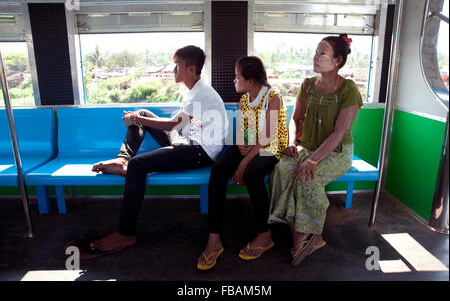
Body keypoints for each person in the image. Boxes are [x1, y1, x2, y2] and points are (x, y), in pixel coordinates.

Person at [77, 45, 227, 259]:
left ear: (192, 69)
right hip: (187, 141)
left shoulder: (202, 93)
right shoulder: (193, 91)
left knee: (138, 165)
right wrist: (140, 117)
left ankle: (125, 234)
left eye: (177, 66)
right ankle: (122, 159)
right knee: (144, 113)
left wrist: (136, 120)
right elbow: (176, 125)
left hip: (200, 151)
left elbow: (171, 124)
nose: (173, 71)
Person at [268, 34, 363, 267]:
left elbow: (339, 132)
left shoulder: (349, 89)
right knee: (282, 169)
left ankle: (305, 236)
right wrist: (291, 142)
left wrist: (312, 161)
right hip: (307, 146)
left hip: (337, 151)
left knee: (308, 178)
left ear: (338, 60)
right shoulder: (307, 85)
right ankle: (306, 236)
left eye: (322, 53)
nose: (316, 57)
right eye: (316, 52)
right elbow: (295, 118)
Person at [197, 56, 288, 270]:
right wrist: (239, 144)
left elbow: (266, 138)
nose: (234, 80)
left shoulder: (273, 98)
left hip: (271, 147)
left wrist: (242, 165)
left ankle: (265, 235)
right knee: (218, 170)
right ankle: (214, 239)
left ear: (251, 80)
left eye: (238, 77)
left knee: (252, 174)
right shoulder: (245, 99)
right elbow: (241, 129)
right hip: (251, 145)